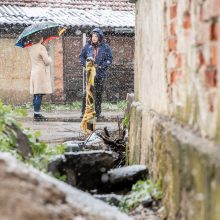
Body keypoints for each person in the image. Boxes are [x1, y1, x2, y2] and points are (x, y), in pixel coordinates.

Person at [79, 27, 113, 119]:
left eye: (96, 36)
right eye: (92, 36)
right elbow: (81, 57)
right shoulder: (87, 46)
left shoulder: (105, 47)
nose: (94, 38)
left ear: (99, 37)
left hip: (100, 74)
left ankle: (97, 113)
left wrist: (102, 66)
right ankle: (84, 112)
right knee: (87, 93)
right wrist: (86, 64)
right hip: (89, 74)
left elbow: (110, 59)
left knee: (98, 94)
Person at [28, 33, 52, 121]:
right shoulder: (41, 47)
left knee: (36, 94)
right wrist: (49, 57)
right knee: (39, 94)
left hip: (34, 72)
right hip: (40, 73)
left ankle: (36, 113)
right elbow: (47, 61)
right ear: (41, 39)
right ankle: (37, 115)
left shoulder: (31, 47)